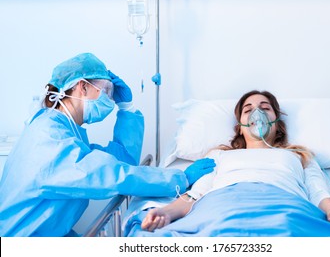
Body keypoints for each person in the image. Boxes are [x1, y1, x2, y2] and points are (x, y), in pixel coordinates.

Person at [0, 53, 215, 237]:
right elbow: (113, 174)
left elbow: (119, 160)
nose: (109, 99)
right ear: (82, 87)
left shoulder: (66, 131)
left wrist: (127, 109)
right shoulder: (50, 138)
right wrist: (180, 178)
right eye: (106, 91)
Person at [139, 90, 330, 235]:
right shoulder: (220, 155)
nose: (257, 113)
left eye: (265, 108)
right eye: (248, 110)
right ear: (240, 126)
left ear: (278, 122)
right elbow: (196, 194)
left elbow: (317, 191)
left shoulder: (298, 155)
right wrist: (165, 212)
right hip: (223, 207)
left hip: (284, 208)